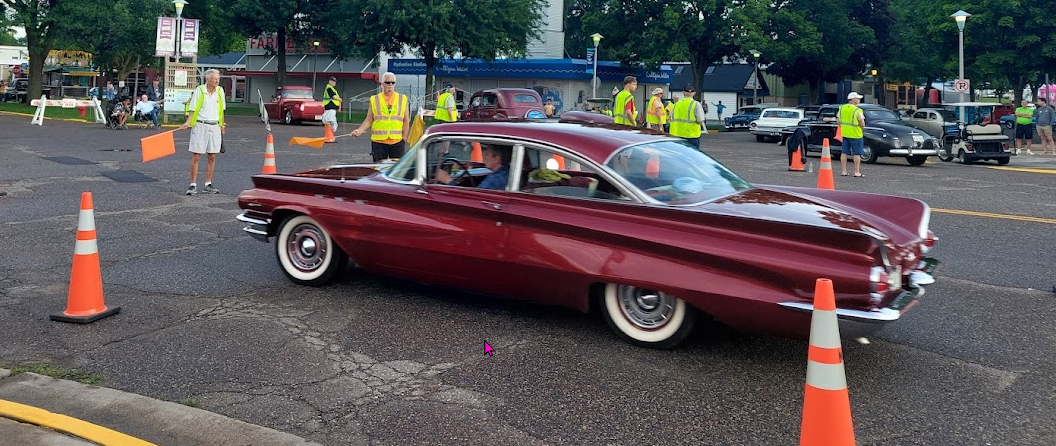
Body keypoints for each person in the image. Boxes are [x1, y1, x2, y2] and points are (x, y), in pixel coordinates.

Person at [178, 69, 226, 195]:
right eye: (215, 79)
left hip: (214, 126)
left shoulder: (220, 91)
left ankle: (208, 184)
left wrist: (222, 125)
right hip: (200, 125)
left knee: (212, 155)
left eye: (218, 79)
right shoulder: (199, 90)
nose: (217, 81)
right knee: (196, 155)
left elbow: (222, 110)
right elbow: (193, 109)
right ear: (208, 79)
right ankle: (193, 185)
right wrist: (188, 122)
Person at [351, 72, 410, 161]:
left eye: (393, 82)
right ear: (382, 84)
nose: (390, 84)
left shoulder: (402, 99)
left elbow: (406, 120)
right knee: (379, 167)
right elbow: (369, 119)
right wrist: (360, 130)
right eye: (387, 82)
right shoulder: (374, 99)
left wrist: (404, 139)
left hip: (397, 142)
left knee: (396, 168)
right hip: (379, 142)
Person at [434, 144, 511, 190]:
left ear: (497, 159)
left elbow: (473, 199)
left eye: (487, 154)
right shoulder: (507, 172)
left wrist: (448, 181)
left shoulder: (494, 179)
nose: (483, 156)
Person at [839, 92, 867, 177]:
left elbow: (838, 121)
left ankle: (843, 171)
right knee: (857, 153)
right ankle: (856, 172)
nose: (859, 99)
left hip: (845, 133)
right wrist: (861, 128)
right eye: (857, 98)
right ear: (852, 99)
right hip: (856, 135)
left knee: (844, 152)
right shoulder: (857, 110)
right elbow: (862, 123)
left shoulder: (842, 108)